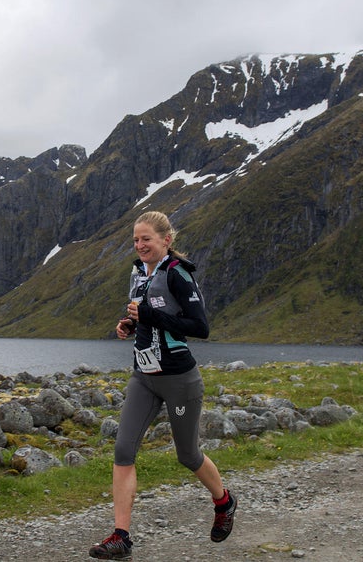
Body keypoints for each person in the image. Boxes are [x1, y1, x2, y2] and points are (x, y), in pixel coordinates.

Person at [89, 211, 235, 560]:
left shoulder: (178, 274)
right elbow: (142, 314)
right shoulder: (138, 273)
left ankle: (224, 501)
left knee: (187, 455)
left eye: (146, 239)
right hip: (143, 377)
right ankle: (120, 536)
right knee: (123, 451)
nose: (139, 245)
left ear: (165, 240)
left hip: (179, 380)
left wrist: (152, 318)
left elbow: (200, 327)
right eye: (136, 240)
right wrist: (127, 324)